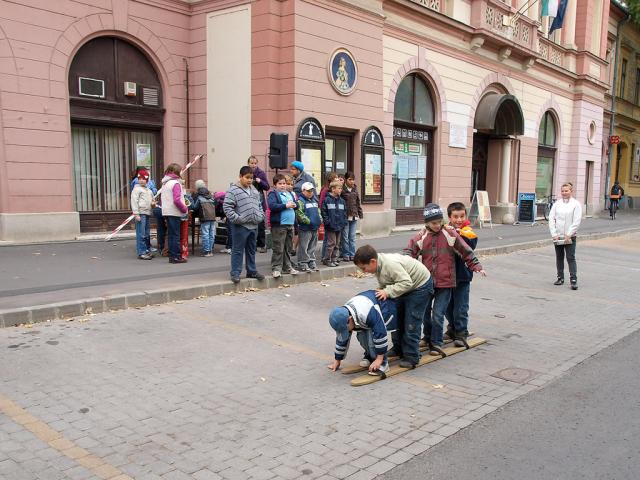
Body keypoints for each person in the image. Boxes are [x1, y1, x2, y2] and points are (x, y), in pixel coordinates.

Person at [405, 203, 485, 356]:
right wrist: (405, 266)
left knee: (442, 313)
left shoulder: (451, 233)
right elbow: (410, 250)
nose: (437, 226)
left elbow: (466, 250)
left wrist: (477, 266)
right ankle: (429, 337)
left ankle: (440, 342)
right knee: (425, 313)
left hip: (447, 282)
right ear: (427, 223)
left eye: (439, 222)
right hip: (427, 283)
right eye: (433, 223)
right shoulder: (422, 235)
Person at [353, 245, 431, 369]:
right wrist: (382, 290)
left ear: (373, 261)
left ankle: (412, 356)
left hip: (419, 286)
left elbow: (406, 282)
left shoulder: (390, 265)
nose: (363, 271)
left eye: (364, 268)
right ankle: (398, 348)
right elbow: (387, 282)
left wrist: (387, 292)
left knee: (411, 322)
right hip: (403, 286)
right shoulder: (378, 266)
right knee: (396, 318)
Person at [327, 290, 397, 376]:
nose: (347, 331)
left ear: (349, 319)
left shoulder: (367, 312)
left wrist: (379, 359)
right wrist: (337, 360)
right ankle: (369, 355)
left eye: (346, 329)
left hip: (384, 308)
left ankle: (383, 363)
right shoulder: (343, 315)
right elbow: (342, 339)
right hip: (364, 317)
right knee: (362, 337)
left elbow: (380, 334)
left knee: (372, 340)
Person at [444, 202, 479, 347]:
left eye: (462, 216)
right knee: (447, 306)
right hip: (446, 276)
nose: (459, 220)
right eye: (455, 217)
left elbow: (468, 246)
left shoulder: (468, 232)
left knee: (460, 307)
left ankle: (461, 332)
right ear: (449, 217)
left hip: (462, 276)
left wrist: (455, 233)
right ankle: (452, 328)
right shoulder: (445, 230)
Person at [223, 166, 266, 283]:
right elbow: (227, 207)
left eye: (251, 178)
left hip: (254, 225)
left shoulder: (254, 190)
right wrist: (237, 219)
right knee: (237, 250)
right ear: (240, 177)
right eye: (247, 177)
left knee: (251, 250)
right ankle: (235, 273)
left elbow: (259, 205)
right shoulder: (233, 190)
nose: (249, 180)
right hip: (240, 226)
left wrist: (260, 216)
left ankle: (251, 271)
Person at [549, 181, 582, 290]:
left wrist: (569, 234)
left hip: (570, 236)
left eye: (566, 191)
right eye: (562, 191)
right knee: (559, 257)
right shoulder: (557, 204)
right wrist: (554, 234)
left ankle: (573, 280)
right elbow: (551, 219)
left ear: (571, 191)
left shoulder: (576, 204)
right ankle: (560, 277)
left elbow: (576, 220)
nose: (564, 193)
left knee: (570, 257)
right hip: (558, 236)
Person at [267, 173, 299, 278]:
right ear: (275, 185)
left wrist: (295, 205)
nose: (282, 185)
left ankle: (287, 267)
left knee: (288, 247)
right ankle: (276, 268)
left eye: (284, 183)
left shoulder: (289, 193)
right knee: (278, 248)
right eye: (280, 183)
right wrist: (286, 205)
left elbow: (296, 204)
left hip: (290, 225)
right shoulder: (273, 194)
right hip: (279, 225)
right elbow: (272, 206)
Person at [160, 163, 189, 264]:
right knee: (176, 235)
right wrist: (184, 208)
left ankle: (172, 256)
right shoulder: (176, 183)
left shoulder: (165, 183)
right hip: (174, 212)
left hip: (166, 211)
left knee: (171, 235)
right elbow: (177, 200)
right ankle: (176, 256)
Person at [296, 182, 322, 272]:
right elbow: (299, 214)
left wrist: (319, 219)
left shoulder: (314, 200)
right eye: (308, 191)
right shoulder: (300, 201)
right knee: (304, 246)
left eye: (311, 190)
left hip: (315, 227)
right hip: (305, 228)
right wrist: (308, 221)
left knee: (312, 246)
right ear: (303, 191)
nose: (310, 192)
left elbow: (318, 211)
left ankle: (311, 261)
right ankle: (303, 263)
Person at [321, 180, 347, 267]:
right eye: (339, 188)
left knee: (337, 244)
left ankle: (334, 259)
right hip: (330, 226)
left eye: (341, 188)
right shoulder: (327, 200)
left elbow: (344, 213)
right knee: (331, 243)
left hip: (339, 226)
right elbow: (324, 212)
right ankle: (327, 259)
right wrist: (327, 222)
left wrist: (343, 222)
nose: (340, 190)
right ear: (333, 189)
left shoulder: (342, 201)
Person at [248, 155, 270, 252]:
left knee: (260, 224)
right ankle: (250, 245)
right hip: (248, 200)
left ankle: (261, 244)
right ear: (248, 163)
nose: (253, 165)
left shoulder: (261, 173)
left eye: (255, 163)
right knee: (249, 224)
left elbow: (267, 187)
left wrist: (260, 181)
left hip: (259, 200)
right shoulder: (246, 172)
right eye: (251, 163)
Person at [131, 169, 154, 260]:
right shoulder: (136, 189)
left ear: (147, 180)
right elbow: (134, 201)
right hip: (141, 213)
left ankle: (147, 250)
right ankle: (142, 252)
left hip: (147, 213)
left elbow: (152, 200)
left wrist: (153, 204)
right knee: (141, 233)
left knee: (146, 233)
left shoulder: (149, 190)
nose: (141, 180)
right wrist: (136, 214)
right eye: (139, 178)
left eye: (143, 179)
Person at [340, 172, 363, 261]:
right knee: (345, 237)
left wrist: (360, 213)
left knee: (352, 237)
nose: (352, 181)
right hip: (345, 216)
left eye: (353, 179)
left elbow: (358, 202)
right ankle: (345, 254)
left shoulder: (355, 189)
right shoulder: (342, 189)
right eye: (350, 179)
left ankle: (352, 254)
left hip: (354, 215)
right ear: (346, 180)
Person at [191, 179, 217, 257]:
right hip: (212, 217)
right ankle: (210, 250)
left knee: (205, 234)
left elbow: (195, 207)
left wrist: (191, 202)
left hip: (204, 217)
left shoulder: (199, 197)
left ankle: (206, 251)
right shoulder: (211, 196)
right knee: (211, 233)